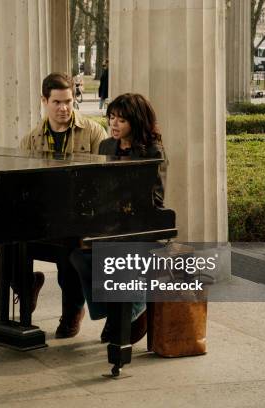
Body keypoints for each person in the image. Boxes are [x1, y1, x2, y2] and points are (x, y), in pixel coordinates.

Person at [70, 92, 167, 344]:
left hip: (142, 227)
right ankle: (114, 313)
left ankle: (132, 312)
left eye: (121, 120)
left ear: (136, 122)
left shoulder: (153, 151)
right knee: (78, 255)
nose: (113, 124)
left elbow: (155, 199)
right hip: (110, 224)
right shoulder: (106, 146)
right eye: (111, 117)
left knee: (114, 257)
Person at [19, 72, 107, 338]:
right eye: (57, 102)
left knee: (70, 248)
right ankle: (26, 285)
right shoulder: (31, 140)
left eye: (68, 101)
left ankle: (71, 313)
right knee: (4, 244)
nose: (64, 108)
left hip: (80, 219)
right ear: (44, 101)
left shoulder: (93, 132)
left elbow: (106, 180)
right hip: (43, 220)